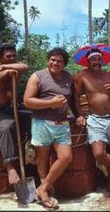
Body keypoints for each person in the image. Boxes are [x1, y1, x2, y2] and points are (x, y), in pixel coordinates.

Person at [23, 47, 77, 209]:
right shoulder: (37, 76)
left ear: (64, 64)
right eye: (53, 59)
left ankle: (42, 187)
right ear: (48, 60)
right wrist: (51, 103)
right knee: (43, 159)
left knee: (66, 157)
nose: (55, 63)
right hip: (42, 123)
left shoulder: (68, 77)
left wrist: (78, 114)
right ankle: (45, 192)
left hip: (62, 123)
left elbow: (72, 100)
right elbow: (27, 101)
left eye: (59, 61)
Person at [74, 48, 110, 196]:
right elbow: (76, 96)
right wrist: (79, 114)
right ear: (88, 61)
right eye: (93, 59)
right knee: (99, 154)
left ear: (102, 60)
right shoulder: (82, 75)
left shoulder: (109, 75)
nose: (96, 62)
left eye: (98, 59)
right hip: (96, 119)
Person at [0, 43, 29, 185]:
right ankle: (10, 167)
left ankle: (36, 157)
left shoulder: (15, 65)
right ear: (0, 58)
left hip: (14, 106)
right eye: (8, 56)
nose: (12, 58)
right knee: (7, 127)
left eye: (14, 55)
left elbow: (25, 67)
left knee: (35, 119)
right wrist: (3, 72)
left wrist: (7, 67)